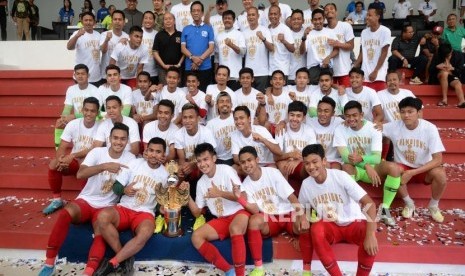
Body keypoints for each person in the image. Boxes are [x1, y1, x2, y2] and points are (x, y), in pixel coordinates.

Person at [38, 123, 136, 276]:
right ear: (109, 139)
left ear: (127, 141)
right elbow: (80, 174)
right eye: (115, 138)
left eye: (123, 139)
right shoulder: (97, 152)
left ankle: (88, 272)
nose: (118, 142)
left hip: (107, 205)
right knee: (65, 214)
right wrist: (104, 166)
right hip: (87, 200)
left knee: (100, 231)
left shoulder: (130, 159)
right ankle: (49, 264)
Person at [92, 137, 169, 275]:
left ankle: (113, 263)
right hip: (125, 208)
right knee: (102, 217)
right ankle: (124, 258)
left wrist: (161, 208)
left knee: (145, 233)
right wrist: (124, 190)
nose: (153, 154)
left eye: (158, 152)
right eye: (151, 150)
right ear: (146, 150)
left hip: (145, 212)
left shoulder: (165, 175)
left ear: (163, 155)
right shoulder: (134, 163)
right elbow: (116, 187)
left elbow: (159, 202)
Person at [298, 143, 378, 275]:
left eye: (314, 162)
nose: (311, 167)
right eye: (307, 163)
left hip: (353, 223)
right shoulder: (306, 185)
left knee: (368, 233)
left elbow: (369, 203)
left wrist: (370, 235)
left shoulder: (340, 176)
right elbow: (303, 208)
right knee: (317, 229)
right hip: (331, 226)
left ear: (324, 161)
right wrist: (307, 217)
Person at [237, 146, 305, 276]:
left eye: (249, 160)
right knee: (254, 220)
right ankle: (259, 267)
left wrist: (301, 222)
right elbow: (256, 210)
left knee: (304, 224)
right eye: (243, 162)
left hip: (287, 214)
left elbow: (291, 197)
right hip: (270, 219)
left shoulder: (272, 173)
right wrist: (240, 199)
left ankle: (307, 268)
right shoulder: (245, 185)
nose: (246, 164)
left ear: (257, 160)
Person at [334, 100, 401, 226]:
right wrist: (365, 164)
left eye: (354, 115)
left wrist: (364, 161)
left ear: (361, 115)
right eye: (348, 116)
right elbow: (346, 157)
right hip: (356, 169)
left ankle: (385, 209)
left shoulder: (373, 128)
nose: (351, 119)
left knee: (394, 168)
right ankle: (354, 207)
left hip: (375, 170)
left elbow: (376, 158)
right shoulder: (340, 129)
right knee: (346, 166)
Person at [188, 143, 249, 276]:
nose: (202, 164)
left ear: (214, 158)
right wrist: (186, 196)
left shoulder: (226, 170)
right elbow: (197, 212)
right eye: (199, 161)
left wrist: (220, 193)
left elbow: (243, 197)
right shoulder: (201, 183)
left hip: (239, 212)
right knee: (196, 237)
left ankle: (240, 274)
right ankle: (228, 270)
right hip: (222, 219)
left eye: (206, 159)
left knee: (235, 229)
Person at [382, 97, 447, 223]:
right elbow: (373, 128)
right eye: (403, 112)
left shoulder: (429, 128)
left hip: (423, 168)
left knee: (440, 174)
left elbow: (438, 159)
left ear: (418, 112)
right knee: (394, 170)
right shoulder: (393, 126)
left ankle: (433, 206)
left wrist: (412, 173)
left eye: (410, 111)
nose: (406, 115)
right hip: (403, 167)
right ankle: (409, 203)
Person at [43, 97, 101, 215]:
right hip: (74, 162)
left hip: (92, 163)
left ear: (97, 112)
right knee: (54, 164)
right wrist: (61, 160)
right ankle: (57, 200)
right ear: (82, 110)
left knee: (86, 161)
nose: (89, 113)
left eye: (92, 111)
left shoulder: (101, 126)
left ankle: (85, 200)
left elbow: (95, 148)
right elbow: (62, 147)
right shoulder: (73, 124)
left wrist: (73, 155)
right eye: (86, 110)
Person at [53, 64, 99, 149]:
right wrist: (64, 118)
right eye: (78, 74)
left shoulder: (95, 90)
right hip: (77, 119)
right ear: (74, 75)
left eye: (83, 74)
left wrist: (74, 116)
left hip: (92, 119)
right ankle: (59, 153)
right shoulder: (71, 89)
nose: (80, 76)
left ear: (88, 75)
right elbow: (67, 108)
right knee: (59, 123)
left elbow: (97, 113)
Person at [275, 101, 316, 181]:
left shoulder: (309, 130)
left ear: (303, 118)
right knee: (281, 164)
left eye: (298, 116)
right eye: (292, 115)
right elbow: (276, 157)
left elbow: (313, 153)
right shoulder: (281, 129)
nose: (294, 119)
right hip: (286, 162)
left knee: (310, 164)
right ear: (288, 115)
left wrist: (299, 160)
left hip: (303, 161)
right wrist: (291, 155)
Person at [175, 103, 217, 180]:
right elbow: (182, 159)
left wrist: (194, 164)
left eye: (191, 117)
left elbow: (211, 156)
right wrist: (183, 169)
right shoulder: (178, 134)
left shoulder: (206, 132)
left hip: (203, 164)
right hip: (187, 165)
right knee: (178, 173)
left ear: (198, 118)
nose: (187, 121)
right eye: (185, 117)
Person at [354, 7, 391, 91]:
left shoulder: (385, 31)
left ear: (377, 16)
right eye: (367, 15)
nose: (367, 17)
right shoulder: (364, 32)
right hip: (365, 73)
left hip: (379, 74)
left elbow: (384, 53)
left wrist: (376, 71)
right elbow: (362, 52)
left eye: (369, 15)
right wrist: (355, 65)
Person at [181, 1, 215, 92]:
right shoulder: (186, 29)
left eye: (198, 10)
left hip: (205, 67)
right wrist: (193, 58)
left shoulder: (208, 28)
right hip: (189, 67)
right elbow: (183, 48)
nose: (196, 13)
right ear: (191, 12)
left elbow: (211, 48)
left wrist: (199, 60)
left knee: (204, 92)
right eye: (194, 11)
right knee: (189, 93)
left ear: (202, 13)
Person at [300, 9, 338, 85]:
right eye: (315, 19)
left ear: (324, 19)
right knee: (313, 92)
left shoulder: (330, 32)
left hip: (327, 66)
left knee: (327, 91)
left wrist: (328, 58)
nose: (317, 22)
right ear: (312, 20)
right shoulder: (308, 33)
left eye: (320, 19)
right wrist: (304, 37)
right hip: (313, 68)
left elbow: (336, 49)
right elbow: (302, 52)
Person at [306, 96, 344, 170]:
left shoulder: (339, 122)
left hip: (334, 160)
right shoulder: (309, 121)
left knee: (335, 171)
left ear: (333, 113)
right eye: (319, 110)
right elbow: (295, 119)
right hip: (315, 159)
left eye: (326, 111)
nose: (322, 114)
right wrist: (282, 123)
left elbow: (356, 122)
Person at [324, 3, 355, 89]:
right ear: (324, 14)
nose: (329, 10)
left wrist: (338, 44)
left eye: (331, 8)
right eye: (326, 9)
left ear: (336, 12)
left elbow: (351, 46)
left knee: (345, 96)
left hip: (344, 70)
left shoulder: (345, 26)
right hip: (330, 72)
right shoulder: (324, 31)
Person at [242, 6, 273, 92]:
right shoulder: (244, 32)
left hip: (262, 72)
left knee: (261, 98)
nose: (251, 17)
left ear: (258, 16)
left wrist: (263, 38)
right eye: (249, 15)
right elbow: (242, 52)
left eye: (253, 15)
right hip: (248, 73)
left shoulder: (265, 30)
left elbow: (271, 48)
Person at [67, 12, 101, 86]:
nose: (88, 22)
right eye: (86, 20)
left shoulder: (98, 35)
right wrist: (76, 36)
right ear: (82, 22)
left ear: (94, 22)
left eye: (90, 20)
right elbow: (69, 47)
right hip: (81, 76)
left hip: (96, 76)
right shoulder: (77, 33)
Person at [214, 10, 246, 90]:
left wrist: (231, 45)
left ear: (234, 20)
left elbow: (243, 52)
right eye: (225, 18)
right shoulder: (218, 36)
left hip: (235, 75)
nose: (227, 20)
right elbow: (216, 57)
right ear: (222, 20)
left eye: (229, 18)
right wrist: (216, 73)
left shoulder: (239, 34)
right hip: (222, 77)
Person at [429, 43, 465, 108]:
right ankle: (444, 99)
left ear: (451, 50)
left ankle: (462, 102)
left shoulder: (459, 55)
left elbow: (461, 70)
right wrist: (437, 66)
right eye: (444, 55)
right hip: (439, 76)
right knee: (444, 73)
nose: (446, 56)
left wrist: (452, 68)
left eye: (448, 55)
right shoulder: (437, 55)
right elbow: (430, 70)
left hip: (452, 75)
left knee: (457, 83)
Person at [153, 12, 184, 85]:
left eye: (170, 18)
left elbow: (184, 52)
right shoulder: (159, 35)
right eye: (165, 19)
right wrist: (163, 65)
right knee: (163, 90)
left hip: (177, 68)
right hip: (163, 69)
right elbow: (155, 52)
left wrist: (179, 64)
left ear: (174, 21)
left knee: (177, 90)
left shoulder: (180, 34)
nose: (168, 21)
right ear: (163, 22)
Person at [257, 70, 291, 134]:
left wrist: (284, 122)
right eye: (275, 79)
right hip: (269, 128)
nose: (277, 81)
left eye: (280, 79)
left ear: (284, 82)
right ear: (271, 82)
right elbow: (261, 121)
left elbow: (292, 114)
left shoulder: (289, 97)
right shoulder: (264, 98)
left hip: (284, 127)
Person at [206, 92, 236, 165]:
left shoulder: (237, 119)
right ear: (217, 105)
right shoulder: (210, 124)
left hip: (236, 158)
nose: (225, 104)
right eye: (221, 102)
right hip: (218, 159)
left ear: (231, 105)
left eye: (227, 101)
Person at [99, 10, 129, 83]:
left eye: (120, 19)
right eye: (115, 19)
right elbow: (103, 50)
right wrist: (106, 40)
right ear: (112, 21)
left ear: (124, 22)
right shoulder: (104, 34)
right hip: (107, 75)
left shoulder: (127, 37)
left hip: (122, 75)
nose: (117, 21)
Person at [268, 5, 295, 79]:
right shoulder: (268, 29)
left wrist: (283, 41)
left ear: (280, 15)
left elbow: (292, 49)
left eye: (275, 14)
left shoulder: (285, 29)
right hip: (270, 70)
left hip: (283, 69)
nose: (273, 16)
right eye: (271, 14)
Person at [288, 9, 306, 85]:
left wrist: (304, 37)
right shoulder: (286, 33)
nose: (296, 21)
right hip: (289, 74)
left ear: (303, 21)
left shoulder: (307, 33)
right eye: (294, 19)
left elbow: (302, 52)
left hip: (303, 75)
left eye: (298, 19)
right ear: (290, 21)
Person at [141, 11, 159, 85]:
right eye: (146, 18)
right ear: (142, 20)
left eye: (150, 18)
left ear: (154, 21)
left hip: (154, 72)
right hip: (140, 72)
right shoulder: (138, 32)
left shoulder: (157, 34)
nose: (148, 20)